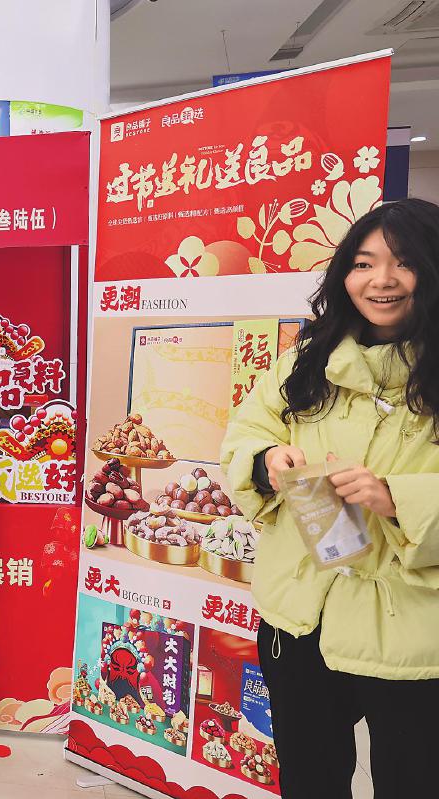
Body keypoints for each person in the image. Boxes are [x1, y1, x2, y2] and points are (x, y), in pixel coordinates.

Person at [221, 198, 439, 798]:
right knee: (310, 780)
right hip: (300, 619)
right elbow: (246, 431)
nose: (381, 280)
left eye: (404, 262)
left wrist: (397, 498)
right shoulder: (306, 360)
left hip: (414, 633)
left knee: (414, 783)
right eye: (363, 263)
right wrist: (266, 461)